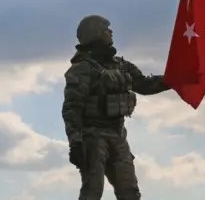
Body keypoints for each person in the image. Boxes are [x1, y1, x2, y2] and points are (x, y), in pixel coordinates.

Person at [61, 15, 171, 200]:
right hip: (92, 137)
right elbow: (72, 108)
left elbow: (145, 85)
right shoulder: (82, 69)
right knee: (92, 191)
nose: (111, 32)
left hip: (118, 135)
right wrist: (75, 142)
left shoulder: (121, 65)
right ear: (94, 33)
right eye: (106, 29)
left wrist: (174, 79)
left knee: (130, 192)